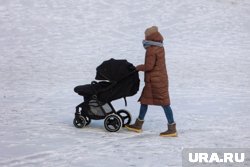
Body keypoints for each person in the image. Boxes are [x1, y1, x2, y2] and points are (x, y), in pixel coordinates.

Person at [125, 26, 177, 137]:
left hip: (155, 81)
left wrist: (138, 67)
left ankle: (172, 129)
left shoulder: (151, 49)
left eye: (146, 35)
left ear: (150, 36)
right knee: (146, 101)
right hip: (160, 80)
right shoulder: (159, 47)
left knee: (164, 104)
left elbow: (149, 67)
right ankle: (139, 124)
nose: (144, 37)